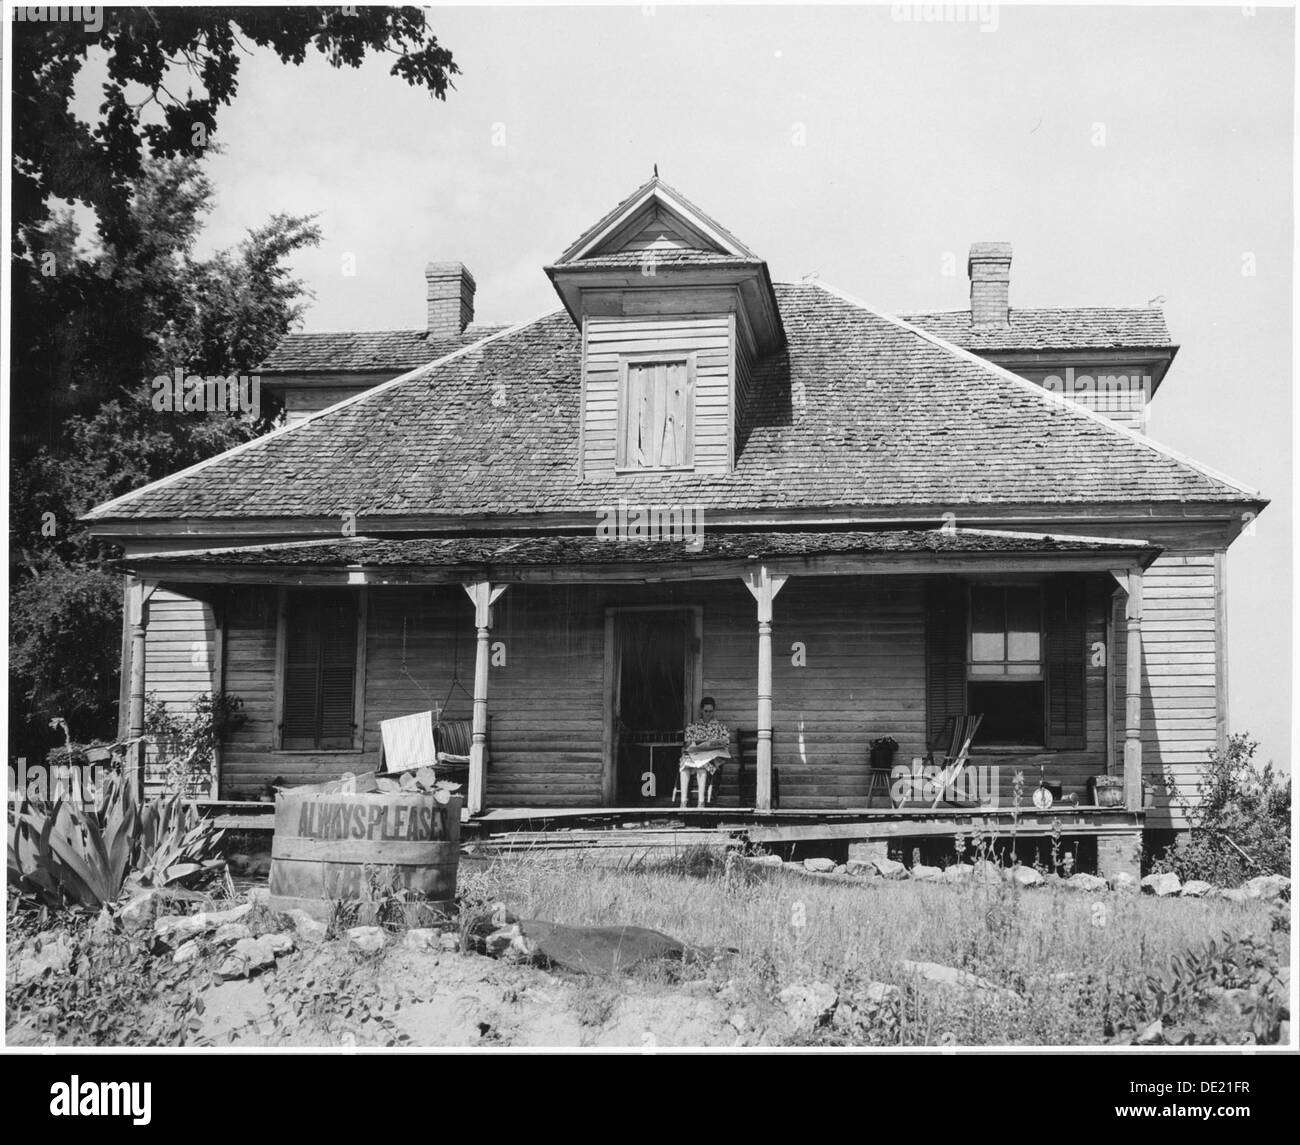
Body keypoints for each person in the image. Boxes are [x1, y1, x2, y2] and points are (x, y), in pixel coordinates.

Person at [678, 697, 731, 809]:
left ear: (714, 711)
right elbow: (687, 743)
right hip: (695, 755)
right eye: (706, 711)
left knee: (702, 766)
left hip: (711, 758)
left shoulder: (720, 727)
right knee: (685, 766)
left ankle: (701, 802)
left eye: (711, 711)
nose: (708, 713)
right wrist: (693, 745)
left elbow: (726, 743)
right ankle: (683, 801)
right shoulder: (693, 726)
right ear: (701, 710)